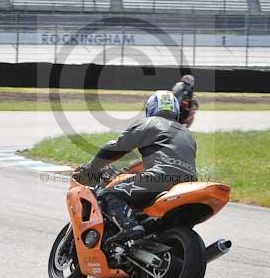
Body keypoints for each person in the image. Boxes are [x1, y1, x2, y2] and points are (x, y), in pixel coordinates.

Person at [74, 90, 197, 244]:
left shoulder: (150, 123)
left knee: (108, 193)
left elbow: (117, 147)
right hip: (189, 185)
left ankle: (130, 226)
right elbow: (171, 159)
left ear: (151, 108)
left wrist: (92, 168)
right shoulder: (188, 134)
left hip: (160, 178)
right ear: (176, 110)